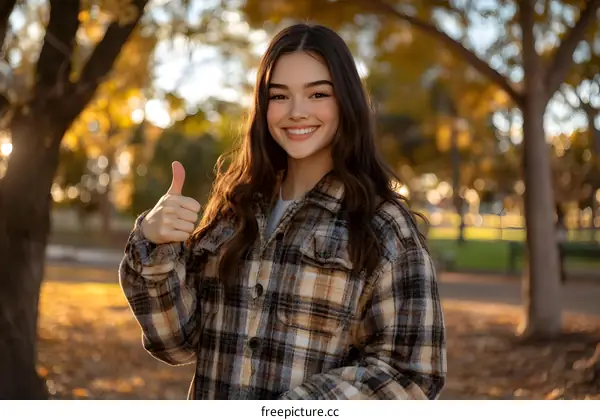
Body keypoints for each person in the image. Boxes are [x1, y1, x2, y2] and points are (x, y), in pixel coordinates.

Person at [119, 22, 446, 400]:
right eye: (279, 96)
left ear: (346, 101)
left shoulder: (384, 226)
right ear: (263, 106)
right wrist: (155, 247)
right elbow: (175, 343)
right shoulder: (233, 212)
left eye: (318, 93)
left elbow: (412, 375)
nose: (296, 112)